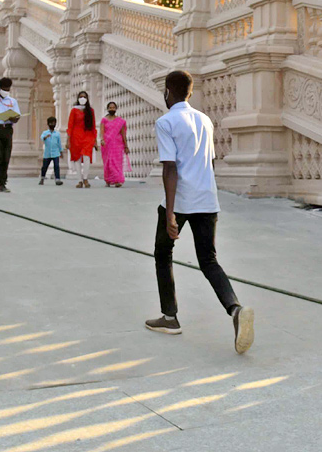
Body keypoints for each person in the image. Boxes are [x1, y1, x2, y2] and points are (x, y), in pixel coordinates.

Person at [146, 70, 253, 354]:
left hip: (180, 199)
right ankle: (235, 309)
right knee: (209, 260)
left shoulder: (166, 121)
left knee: (163, 254)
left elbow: (170, 168)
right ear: (190, 93)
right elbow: (210, 162)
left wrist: (170, 214)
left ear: (168, 91)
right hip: (207, 198)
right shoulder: (205, 120)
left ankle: (170, 317)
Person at [67, 91, 98, 188]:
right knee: (77, 159)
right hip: (76, 137)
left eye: (84, 97)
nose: (82, 98)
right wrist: (68, 140)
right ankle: (79, 180)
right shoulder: (74, 110)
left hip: (88, 136)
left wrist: (95, 140)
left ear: (87, 99)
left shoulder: (90, 111)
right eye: (81, 97)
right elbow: (70, 125)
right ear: (78, 98)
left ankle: (85, 178)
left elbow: (93, 126)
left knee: (87, 157)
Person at [100, 101, 129, 187]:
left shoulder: (121, 121)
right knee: (108, 163)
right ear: (107, 109)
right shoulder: (104, 120)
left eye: (113, 107)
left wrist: (126, 146)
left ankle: (117, 180)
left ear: (116, 109)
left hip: (118, 145)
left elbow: (123, 134)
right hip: (106, 145)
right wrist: (102, 140)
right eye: (110, 107)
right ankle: (108, 180)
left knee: (116, 163)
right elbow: (102, 131)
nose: (112, 109)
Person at [38, 116, 63, 186]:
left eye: (54, 123)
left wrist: (61, 151)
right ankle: (42, 178)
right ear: (48, 124)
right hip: (47, 153)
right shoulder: (45, 132)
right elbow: (42, 138)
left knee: (56, 166)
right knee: (45, 166)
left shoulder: (57, 134)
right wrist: (45, 137)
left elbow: (59, 143)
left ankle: (57, 179)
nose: (53, 124)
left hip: (55, 152)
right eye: (51, 123)